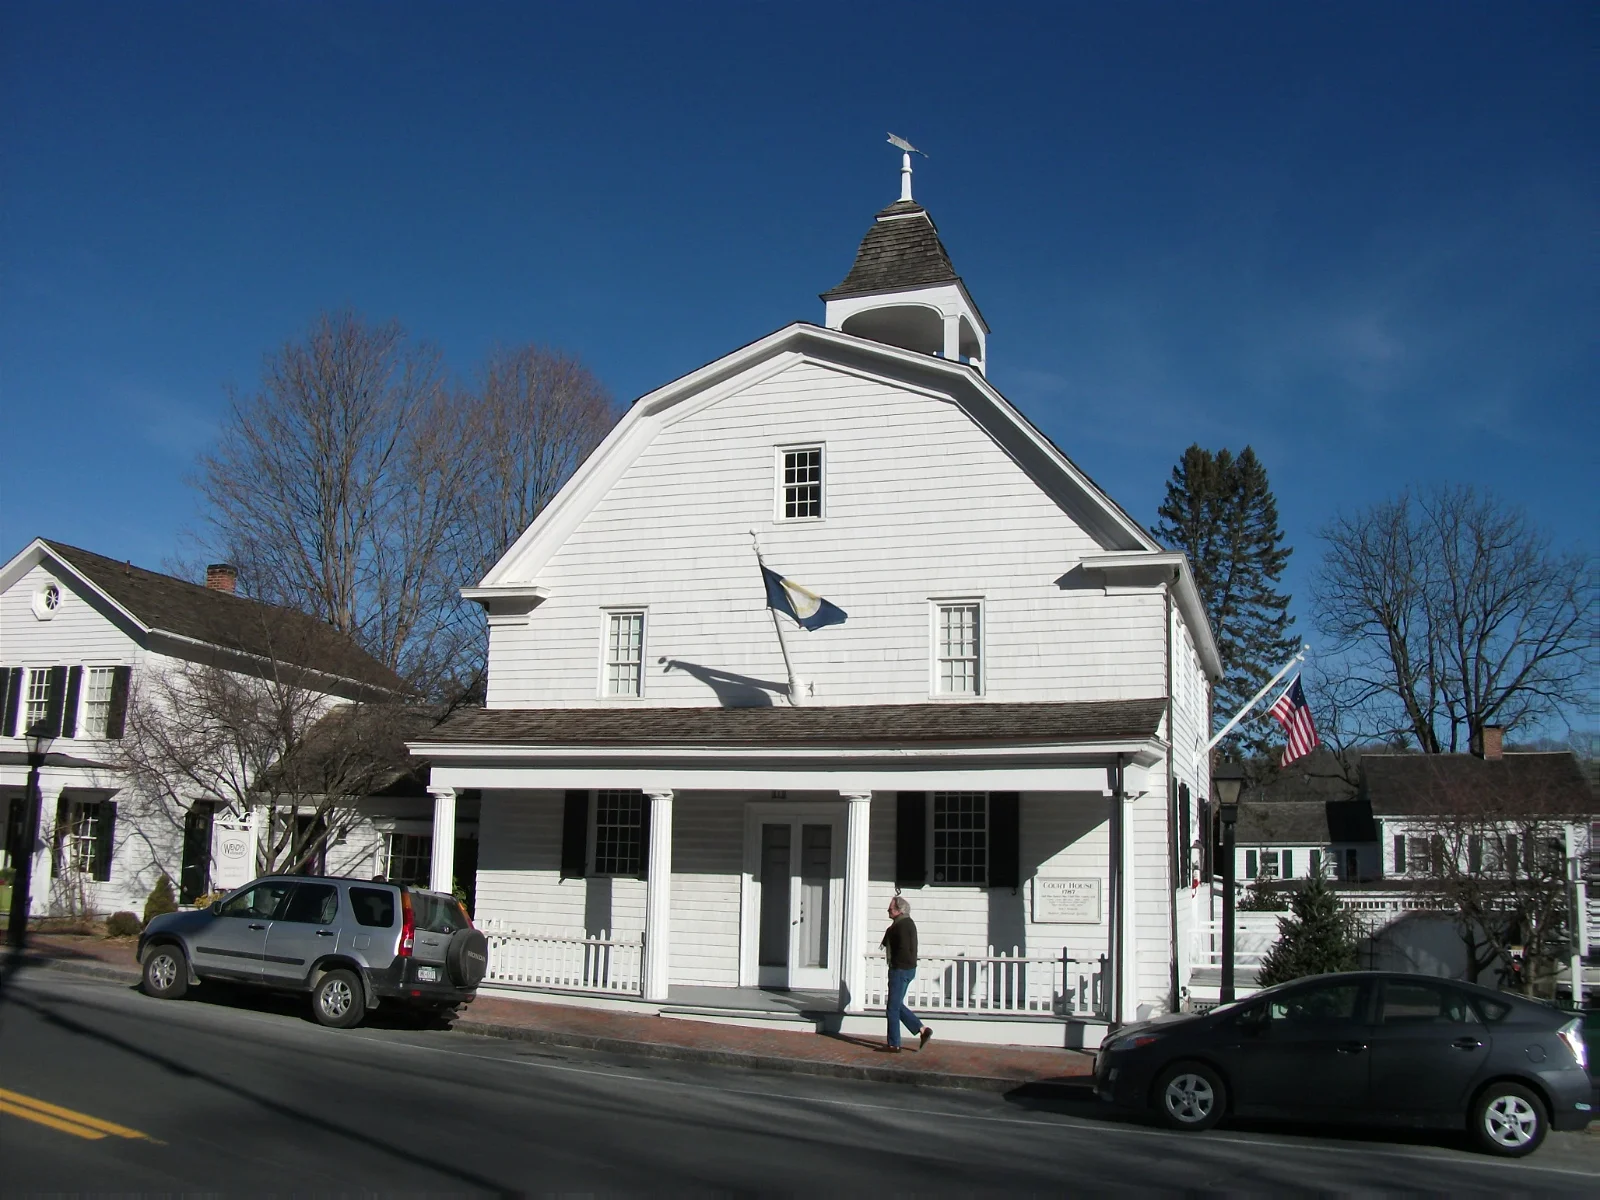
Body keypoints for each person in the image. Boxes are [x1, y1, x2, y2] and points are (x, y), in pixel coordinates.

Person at [880, 895, 931, 1052]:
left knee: (892, 1008)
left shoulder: (901, 926)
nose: (888, 910)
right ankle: (922, 1030)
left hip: (900, 970)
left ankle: (894, 1044)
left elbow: (903, 948)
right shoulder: (905, 924)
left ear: (899, 910)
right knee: (896, 1005)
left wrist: (895, 966)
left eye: (891, 907)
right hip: (908, 969)